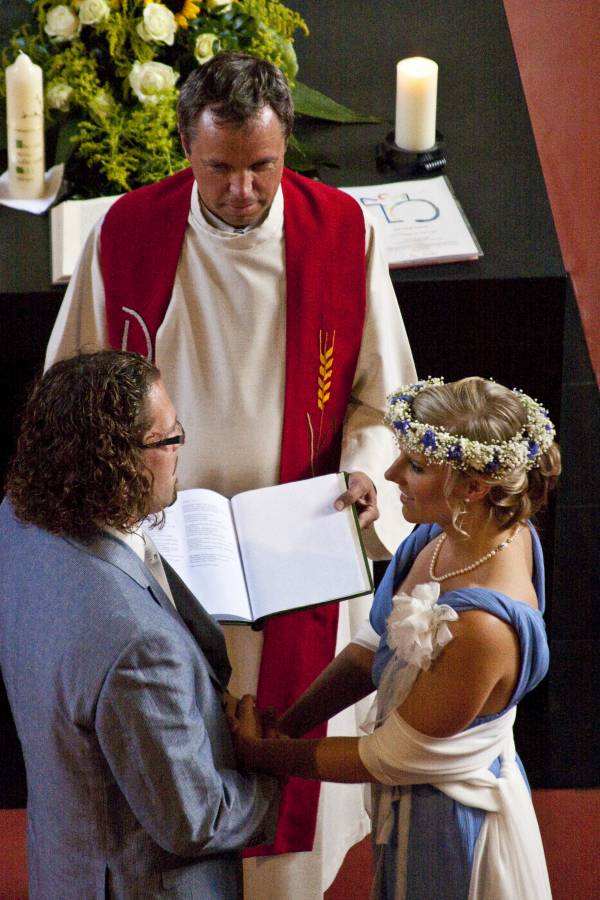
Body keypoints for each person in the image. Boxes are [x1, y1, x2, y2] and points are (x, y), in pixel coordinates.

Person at [44, 51, 417, 896]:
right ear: (186, 146)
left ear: (287, 148)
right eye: (219, 168)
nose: (243, 190)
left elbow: (381, 399)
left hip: (299, 552)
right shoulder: (125, 233)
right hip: (163, 548)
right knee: (170, 782)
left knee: (284, 831)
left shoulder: (343, 236)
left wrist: (361, 475)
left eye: (262, 166)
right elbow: (67, 392)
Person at [232, 376, 560, 899]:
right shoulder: (441, 534)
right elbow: (370, 651)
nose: (388, 474)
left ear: (474, 487)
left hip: (452, 829)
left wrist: (263, 756)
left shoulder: (483, 628)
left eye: (416, 466)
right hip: (407, 801)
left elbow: (388, 755)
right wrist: (287, 724)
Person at [0, 350, 279, 899]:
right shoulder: (137, 645)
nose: (179, 450)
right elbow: (194, 821)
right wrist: (269, 772)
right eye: (167, 438)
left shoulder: (18, 517)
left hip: (68, 857)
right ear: (114, 458)